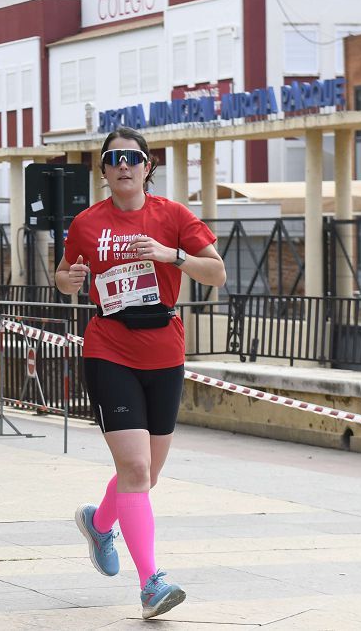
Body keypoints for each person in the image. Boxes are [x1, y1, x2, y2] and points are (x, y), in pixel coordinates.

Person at [54, 127, 226, 620]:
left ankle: (99, 522)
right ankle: (152, 582)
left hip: (165, 351)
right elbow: (64, 274)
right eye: (113, 159)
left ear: (148, 166)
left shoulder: (173, 216)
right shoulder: (87, 223)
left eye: (133, 157)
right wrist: (70, 279)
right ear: (103, 171)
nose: (123, 166)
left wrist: (170, 255)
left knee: (146, 476)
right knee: (134, 469)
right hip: (110, 348)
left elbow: (217, 273)